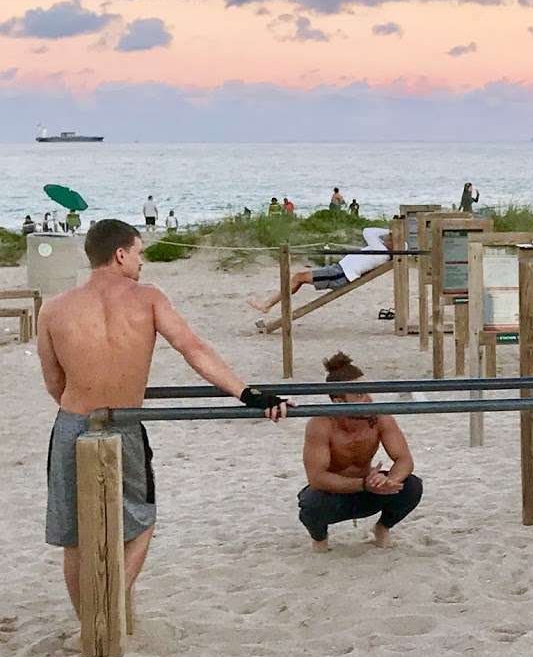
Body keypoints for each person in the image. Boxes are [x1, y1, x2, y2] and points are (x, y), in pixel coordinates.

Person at [35, 219, 288, 621]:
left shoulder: (54, 308)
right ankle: (113, 600)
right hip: (125, 422)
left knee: (75, 536)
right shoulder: (148, 298)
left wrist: (83, 402)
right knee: (141, 519)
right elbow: (193, 349)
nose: (141, 261)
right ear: (120, 254)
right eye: (138, 253)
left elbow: (53, 382)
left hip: (72, 423)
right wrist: (247, 393)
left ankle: (91, 622)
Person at [298, 351, 422, 550]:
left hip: (370, 491)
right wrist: (363, 484)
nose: (368, 399)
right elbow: (317, 477)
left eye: (367, 391)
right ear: (339, 402)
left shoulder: (380, 418)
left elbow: (404, 459)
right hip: (335, 495)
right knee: (311, 503)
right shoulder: (321, 424)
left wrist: (390, 481)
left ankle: (382, 528)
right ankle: (320, 539)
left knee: (412, 486)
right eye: (359, 395)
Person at [248, 225, 392, 316]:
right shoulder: (382, 250)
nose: (387, 238)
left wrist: (390, 230)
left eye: (391, 238)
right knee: (298, 280)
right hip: (338, 270)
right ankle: (268, 304)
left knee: (298, 278)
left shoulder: (381, 250)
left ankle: (267, 305)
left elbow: (367, 231)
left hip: (339, 274)